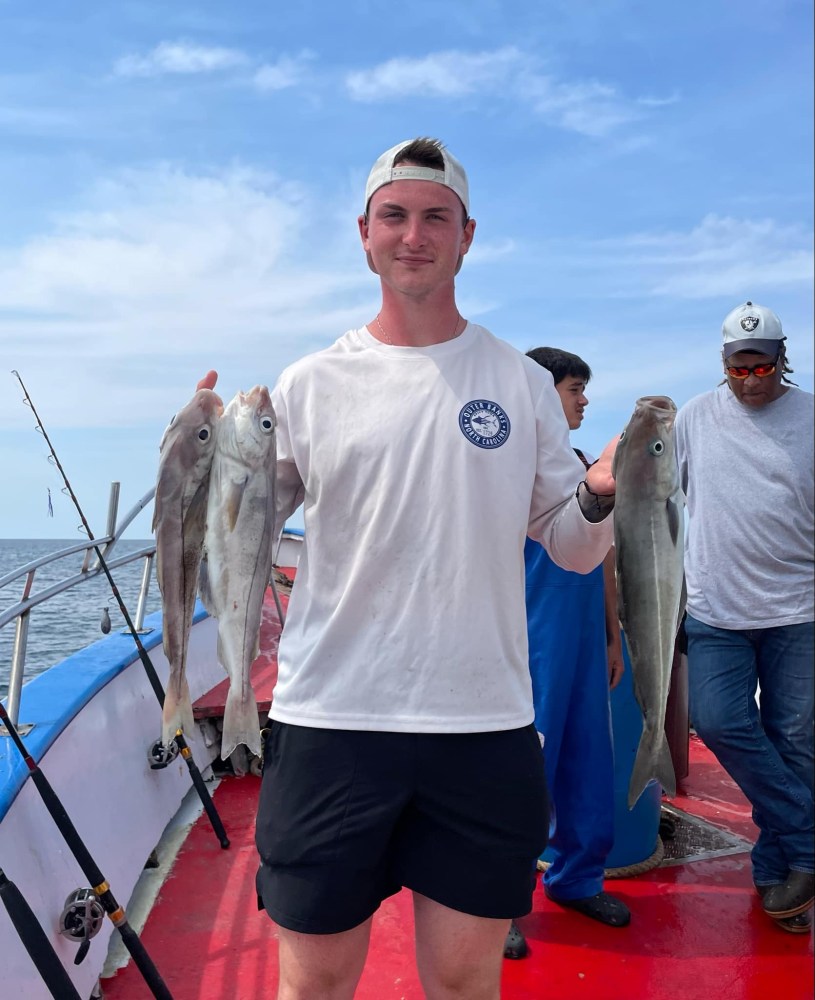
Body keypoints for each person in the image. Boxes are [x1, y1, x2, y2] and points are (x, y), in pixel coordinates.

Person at [200, 137, 620, 999]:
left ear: (468, 235)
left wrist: (603, 493)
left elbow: (571, 545)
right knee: (313, 982)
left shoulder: (517, 382)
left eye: (436, 217)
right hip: (332, 722)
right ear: (363, 234)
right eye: (394, 216)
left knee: (465, 982)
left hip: (483, 724)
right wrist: (203, 461)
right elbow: (240, 534)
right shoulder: (310, 382)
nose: (413, 234)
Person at [674, 301, 814, 935]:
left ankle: (781, 880)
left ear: (783, 359)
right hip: (715, 610)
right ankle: (808, 842)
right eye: (740, 369)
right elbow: (656, 501)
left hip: (800, 611)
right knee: (719, 720)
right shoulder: (694, 419)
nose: (752, 379)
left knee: (795, 742)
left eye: (763, 368)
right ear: (723, 364)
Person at [504, 349, 628, 961]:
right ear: (539, 393)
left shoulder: (583, 469)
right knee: (524, 775)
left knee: (588, 763)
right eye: (575, 388)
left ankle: (577, 878)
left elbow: (600, 557)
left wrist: (611, 633)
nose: (582, 401)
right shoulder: (509, 471)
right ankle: (499, 900)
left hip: (581, 639)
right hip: (531, 641)